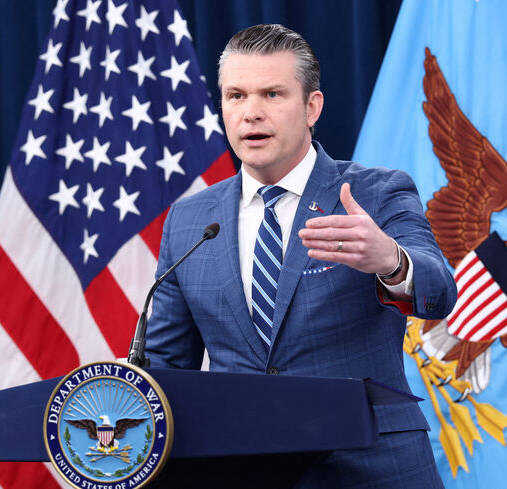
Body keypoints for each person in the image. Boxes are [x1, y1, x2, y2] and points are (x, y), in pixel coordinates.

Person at [145, 24, 456, 488]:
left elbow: (439, 291)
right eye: (236, 96)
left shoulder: (375, 191)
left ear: (312, 107)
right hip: (239, 469)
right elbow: (165, 368)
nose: (251, 113)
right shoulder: (190, 220)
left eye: (272, 94)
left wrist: (389, 260)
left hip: (370, 466)